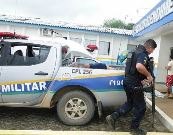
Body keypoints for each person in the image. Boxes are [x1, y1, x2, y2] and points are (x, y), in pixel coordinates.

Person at [106, 39, 157, 134]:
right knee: (141, 107)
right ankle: (134, 128)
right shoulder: (142, 54)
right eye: (152, 50)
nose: (151, 52)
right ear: (149, 47)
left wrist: (142, 79)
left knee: (130, 104)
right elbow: (139, 66)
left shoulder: (133, 52)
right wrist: (149, 76)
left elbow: (133, 69)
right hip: (134, 85)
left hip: (127, 82)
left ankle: (113, 117)